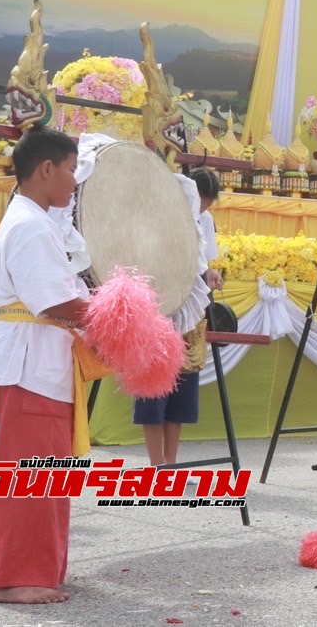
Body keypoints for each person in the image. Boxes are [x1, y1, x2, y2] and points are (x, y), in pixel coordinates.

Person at [0, 127, 89, 604]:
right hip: (28, 362)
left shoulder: (32, 220)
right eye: (72, 169)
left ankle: (28, 570)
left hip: (34, 360)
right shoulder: (32, 224)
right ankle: (14, 577)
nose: (75, 180)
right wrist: (122, 316)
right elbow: (58, 302)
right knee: (31, 474)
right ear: (46, 169)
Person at [135, 167, 224, 467]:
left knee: (183, 391)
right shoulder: (160, 217)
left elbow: (204, 262)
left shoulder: (206, 220)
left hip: (191, 311)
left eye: (208, 204)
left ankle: (171, 461)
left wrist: (209, 273)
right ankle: (155, 461)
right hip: (160, 309)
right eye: (202, 201)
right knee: (154, 389)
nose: (204, 208)